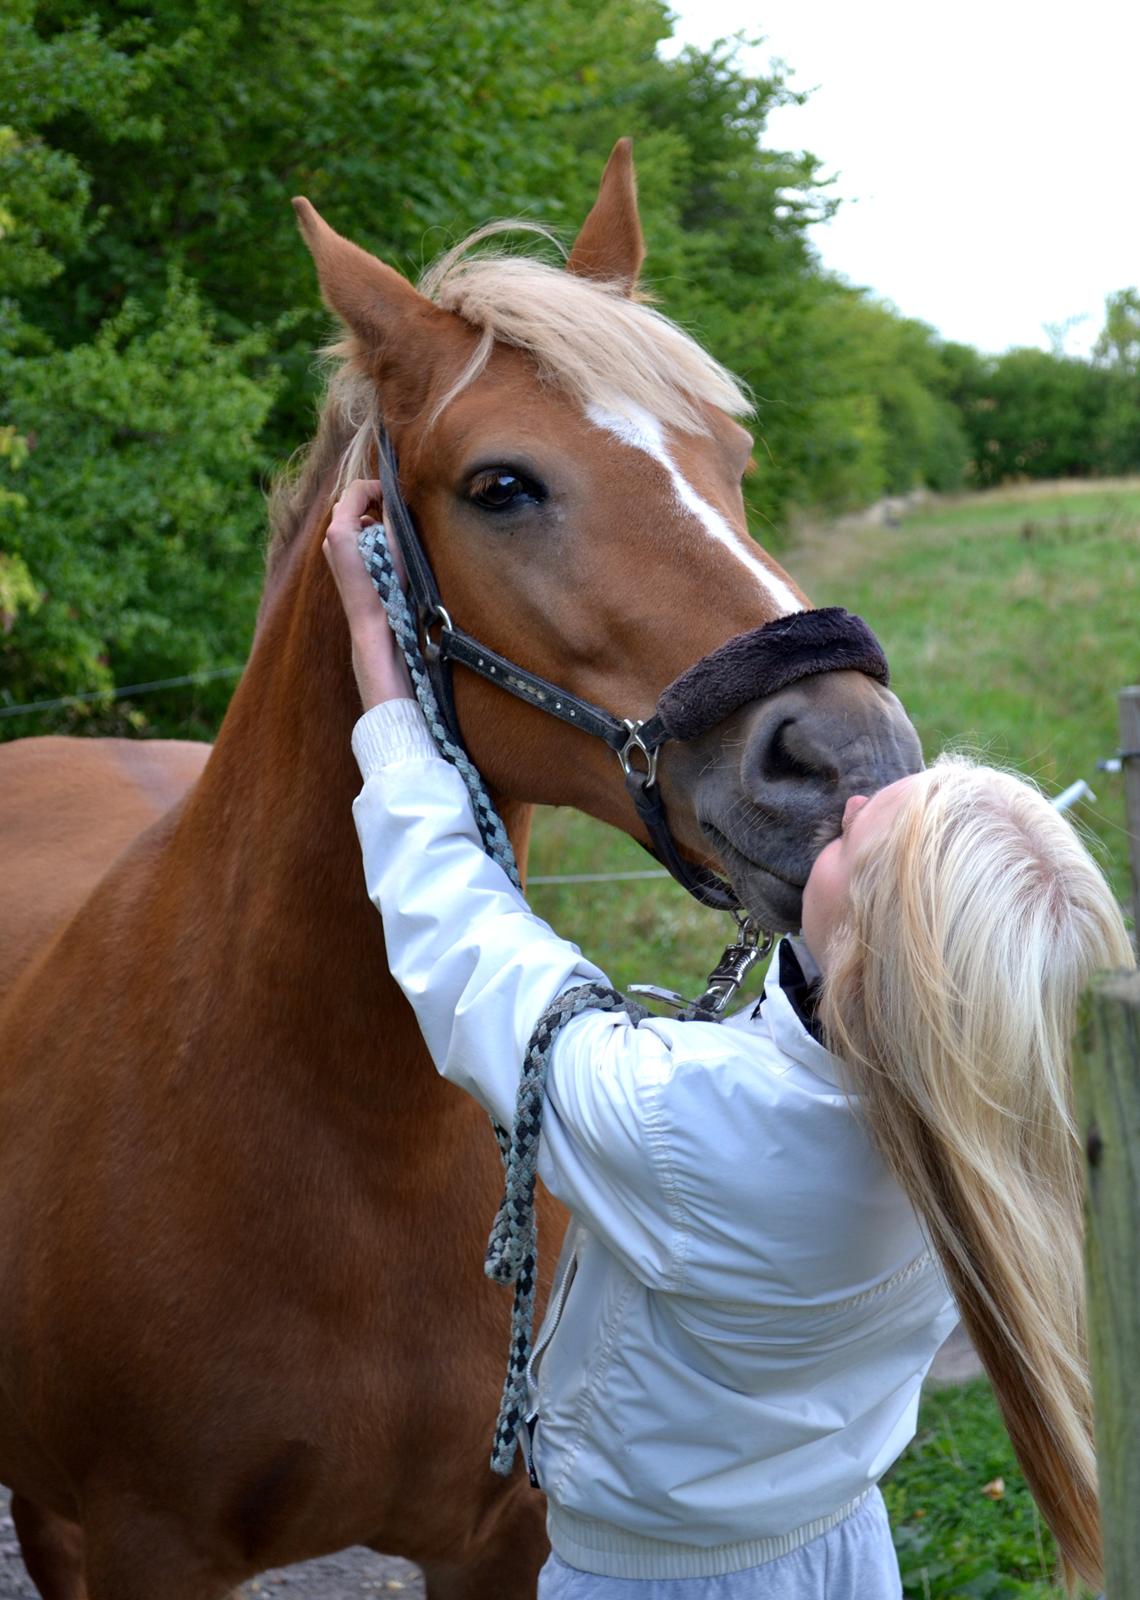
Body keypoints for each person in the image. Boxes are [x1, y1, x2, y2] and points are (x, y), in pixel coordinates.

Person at [324, 479, 1134, 1598]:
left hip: (650, 1575)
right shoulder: (996, 1103)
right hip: (846, 1541)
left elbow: (467, 953)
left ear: (863, 969)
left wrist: (384, 675)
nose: (841, 805)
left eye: (859, 837)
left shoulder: (687, 1128)